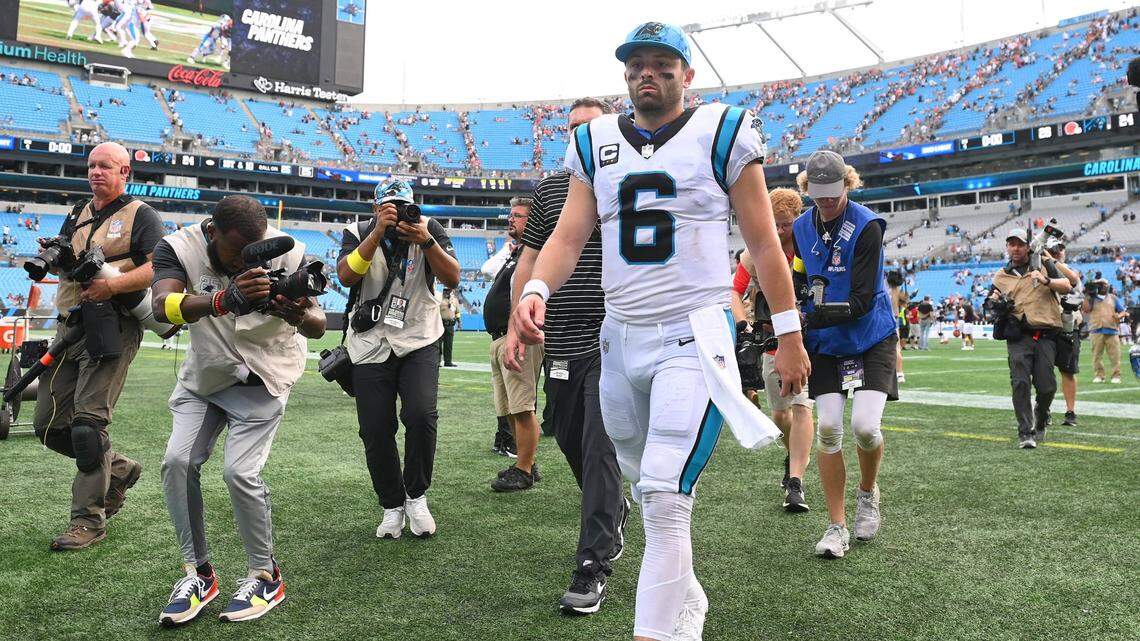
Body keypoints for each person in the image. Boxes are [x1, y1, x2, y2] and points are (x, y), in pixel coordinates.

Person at [511, 23, 810, 640]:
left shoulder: (722, 130)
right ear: (625, 74)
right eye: (637, 64)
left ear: (687, 75)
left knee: (666, 493)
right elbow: (568, 235)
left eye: (663, 64)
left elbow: (761, 240)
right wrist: (537, 288)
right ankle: (687, 601)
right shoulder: (593, 142)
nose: (648, 73)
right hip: (617, 339)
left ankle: (656, 632)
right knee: (648, 487)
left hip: (692, 333)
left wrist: (789, 334)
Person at [152, 195, 326, 626]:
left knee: (239, 473)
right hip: (209, 375)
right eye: (235, 251)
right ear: (212, 231)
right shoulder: (177, 247)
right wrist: (222, 299)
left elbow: (319, 326)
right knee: (177, 460)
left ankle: (266, 575)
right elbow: (162, 308)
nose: (244, 260)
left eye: (254, 247)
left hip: (264, 376)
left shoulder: (289, 251)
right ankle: (199, 574)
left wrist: (298, 311)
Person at [504, 97, 627, 614]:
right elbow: (530, 257)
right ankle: (612, 508)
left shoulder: (626, 176)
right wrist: (516, 319)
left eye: (591, 124)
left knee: (600, 441)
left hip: (613, 329)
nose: (582, 132)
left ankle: (593, 560)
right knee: (570, 436)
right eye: (574, 126)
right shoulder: (553, 187)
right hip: (561, 335)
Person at [34, 142, 164, 551]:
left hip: (113, 327)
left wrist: (112, 285)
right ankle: (120, 469)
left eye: (105, 166)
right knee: (49, 426)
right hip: (70, 324)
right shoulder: (78, 211)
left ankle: (87, 521)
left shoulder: (141, 214)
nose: (95, 172)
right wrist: (53, 258)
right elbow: (69, 262)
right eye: (91, 165)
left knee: (88, 427)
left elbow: (157, 267)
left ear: (125, 171)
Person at [336, 179, 459, 538]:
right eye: (389, 206)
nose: (397, 212)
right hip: (371, 342)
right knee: (375, 427)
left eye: (403, 205)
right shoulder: (356, 231)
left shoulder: (429, 229)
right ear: (375, 209)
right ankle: (392, 505)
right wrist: (376, 233)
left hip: (419, 335)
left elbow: (451, 277)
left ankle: (416, 496)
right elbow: (346, 276)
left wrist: (426, 240)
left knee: (421, 415)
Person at [790, 150, 896, 560]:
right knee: (830, 428)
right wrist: (800, 297)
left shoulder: (867, 226)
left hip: (869, 335)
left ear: (847, 185)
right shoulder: (803, 226)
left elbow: (862, 299)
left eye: (833, 194)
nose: (827, 202)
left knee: (865, 428)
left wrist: (812, 317)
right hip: (827, 343)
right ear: (808, 191)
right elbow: (802, 269)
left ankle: (868, 493)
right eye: (818, 196)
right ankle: (836, 526)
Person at [730, 187, 814, 512]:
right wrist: (742, 325)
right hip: (770, 341)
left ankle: (796, 483)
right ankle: (793, 456)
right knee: (780, 415)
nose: (780, 231)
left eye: (786, 224)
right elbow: (734, 292)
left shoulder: (810, 247)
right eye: (775, 224)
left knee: (803, 408)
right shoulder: (755, 253)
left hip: (805, 340)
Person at [990, 228, 1071, 448]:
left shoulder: (1044, 264)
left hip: (1046, 334)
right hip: (1018, 336)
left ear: (1028, 246)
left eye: (1020, 244)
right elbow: (991, 299)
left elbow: (1067, 286)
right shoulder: (1001, 275)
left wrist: (1045, 280)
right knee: (1020, 384)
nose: (1015, 248)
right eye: (1011, 244)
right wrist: (994, 303)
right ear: (1007, 247)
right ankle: (1025, 432)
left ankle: (1041, 414)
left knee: (1047, 387)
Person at [485, 198, 543, 492]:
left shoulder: (536, 256)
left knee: (521, 405)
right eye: (510, 215)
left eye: (518, 216)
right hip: (499, 337)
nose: (511, 220)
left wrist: (516, 333)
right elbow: (488, 269)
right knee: (508, 406)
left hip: (517, 337)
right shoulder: (514, 254)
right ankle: (527, 459)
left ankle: (525, 468)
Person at [1045, 238, 1082, 426]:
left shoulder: (1066, 269)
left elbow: (1073, 280)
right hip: (1048, 324)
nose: (1059, 251)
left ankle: (1070, 411)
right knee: (1044, 371)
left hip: (1068, 324)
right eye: (1054, 249)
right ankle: (1045, 409)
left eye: (1060, 248)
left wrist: (1051, 260)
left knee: (1067, 370)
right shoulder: (1042, 268)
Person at [1084, 279, 1127, 384]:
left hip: (1112, 329)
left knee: (1115, 355)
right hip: (1096, 329)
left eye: (1105, 284)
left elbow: (1122, 311)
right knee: (1096, 355)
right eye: (1100, 284)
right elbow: (1086, 309)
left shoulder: (1113, 298)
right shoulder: (1091, 298)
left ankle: (1116, 376)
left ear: (1108, 286)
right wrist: (1086, 294)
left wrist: (1119, 316)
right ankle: (1099, 375)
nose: (1103, 286)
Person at [437, 287, 459, 367]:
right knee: (439, 344)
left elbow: (457, 312)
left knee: (449, 344)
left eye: (448, 290)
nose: (447, 292)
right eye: (445, 290)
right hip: (441, 323)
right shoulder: (439, 299)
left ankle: (448, 361)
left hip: (450, 324)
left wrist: (459, 322)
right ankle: (437, 361)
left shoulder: (454, 300)